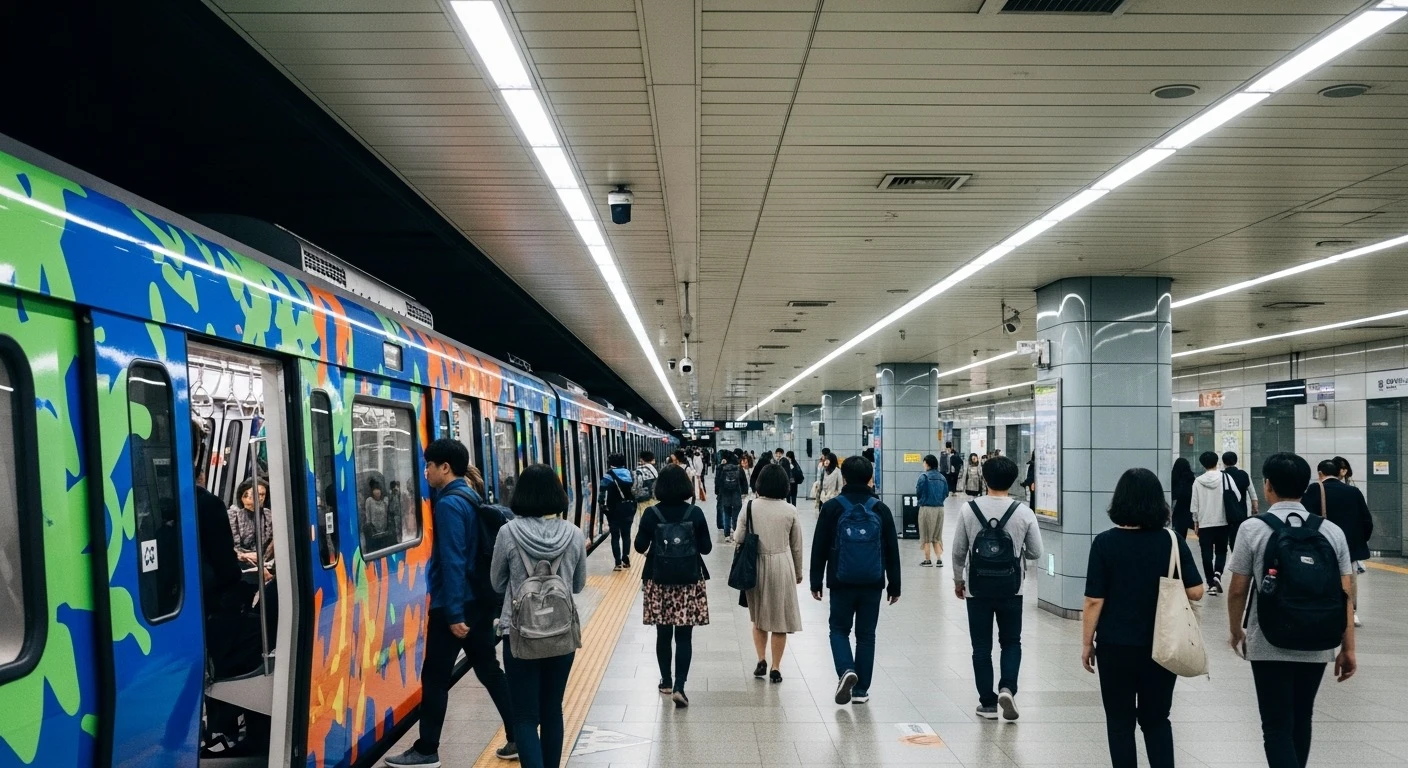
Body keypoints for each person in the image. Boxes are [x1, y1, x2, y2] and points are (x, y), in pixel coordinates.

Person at [388, 439, 516, 768]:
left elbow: (454, 560)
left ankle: (427, 749)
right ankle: (519, 734)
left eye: (429, 465)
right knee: (489, 668)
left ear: (445, 467)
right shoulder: (469, 494)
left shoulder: (448, 504)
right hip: (476, 600)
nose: (426, 471)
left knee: (434, 676)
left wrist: (455, 613)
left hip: (455, 606)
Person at [1227, 453, 1356, 768]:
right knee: (1302, 718)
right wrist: (1348, 647)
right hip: (1319, 640)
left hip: (1268, 641)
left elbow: (1238, 589)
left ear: (1268, 486)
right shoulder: (1331, 531)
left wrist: (1235, 631)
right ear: (1305, 486)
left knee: (1276, 725)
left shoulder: (1253, 529)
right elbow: (1346, 593)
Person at [1081, 468, 1204, 768]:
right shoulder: (1172, 540)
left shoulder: (1105, 543)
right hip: (1163, 646)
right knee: (1157, 719)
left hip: (1115, 646)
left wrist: (1087, 643)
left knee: (1120, 722)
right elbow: (1198, 591)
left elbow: (1095, 600)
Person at [491, 464, 587, 768]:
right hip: (561, 635)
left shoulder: (508, 532)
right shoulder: (573, 533)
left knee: (525, 717)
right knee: (552, 711)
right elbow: (578, 585)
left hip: (519, 635)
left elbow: (496, 582)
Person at [951, 455, 1042, 721]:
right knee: (1011, 641)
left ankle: (988, 704)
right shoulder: (1023, 511)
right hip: (1011, 589)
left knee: (981, 646)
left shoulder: (969, 509)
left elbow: (958, 552)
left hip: (976, 588)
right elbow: (1036, 551)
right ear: (1013, 480)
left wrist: (959, 581)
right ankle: (1007, 688)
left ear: (985, 478)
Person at [810, 456, 901, 706]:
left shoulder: (832, 508)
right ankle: (861, 691)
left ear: (845, 477)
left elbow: (819, 547)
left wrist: (815, 581)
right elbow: (892, 549)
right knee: (866, 635)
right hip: (873, 581)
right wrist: (895, 585)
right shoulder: (880, 508)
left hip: (840, 580)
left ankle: (846, 670)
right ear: (870, 478)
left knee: (838, 630)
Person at [635, 465, 712, 707]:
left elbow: (638, 546)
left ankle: (666, 682)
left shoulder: (651, 514)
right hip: (688, 582)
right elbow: (707, 548)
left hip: (659, 581)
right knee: (684, 636)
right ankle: (680, 685)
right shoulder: (695, 513)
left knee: (663, 633)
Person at [739, 464, 804, 683]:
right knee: (780, 620)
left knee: (758, 617)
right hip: (782, 564)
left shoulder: (749, 506)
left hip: (755, 565)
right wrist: (797, 572)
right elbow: (796, 546)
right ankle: (776, 667)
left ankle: (761, 659)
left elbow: (739, 538)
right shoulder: (790, 510)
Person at [1303, 458, 1373, 628]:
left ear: (1320, 473)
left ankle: (1323, 609)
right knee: (1349, 578)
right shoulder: (1353, 492)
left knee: (1321, 577)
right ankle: (1351, 613)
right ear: (1338, 472)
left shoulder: (1314, 490)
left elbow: (1305, 517)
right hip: (1350, 546)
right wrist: (1360, 541)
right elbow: (1367, 521)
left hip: (1321, 545)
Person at [1191, 451, 1233, 595]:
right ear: (1217, 462)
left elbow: (1194, 504)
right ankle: (1218, 574)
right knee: (1221, 550)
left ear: (1203, 465)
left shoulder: (1198, 481)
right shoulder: (1225, 477)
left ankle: (1211, 584)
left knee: (1206, 553)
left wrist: (1196, 522)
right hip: (1223, 521)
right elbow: (1237, 496)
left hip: (1204, 522)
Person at [228, 477, 274, 572]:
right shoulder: (233, 515)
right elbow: (229, 546)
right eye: (256, 494)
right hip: (239, 565)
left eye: (263, 495)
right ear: (243, 496)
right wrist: (244, 556)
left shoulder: (267, 515)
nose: (260, 498)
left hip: (264, 563)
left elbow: (271, 541)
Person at [600, 453, 638, 571]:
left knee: (615, 536)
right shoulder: (630, 473)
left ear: (610, 463)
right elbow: (636, 489)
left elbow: (602, 492)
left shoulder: (608, 476)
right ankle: (626, 558)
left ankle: (617, 563)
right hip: (628, 508)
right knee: (626, 535)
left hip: (613, 510)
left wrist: (602, 505)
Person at [915, 455, 949, 567]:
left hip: (926, 508)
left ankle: (927, 560)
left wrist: (922, 501)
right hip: (940, 509)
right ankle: (939, 560)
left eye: (924, 462)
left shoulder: (923, 477)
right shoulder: (942, 477)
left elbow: (919, 492)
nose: (923, 465)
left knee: (926, 535)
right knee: (937, 535)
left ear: (927, 464)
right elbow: (946, 493)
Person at [1222, 451, 1258, 549]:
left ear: (1223, 462)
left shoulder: (1221, 476)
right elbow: (1252, 492)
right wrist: (1255, 506)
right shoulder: (1243, 474)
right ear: (1236, 461)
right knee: (1239, 534)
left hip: (1226, 510)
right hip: (1242, 510)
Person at [714, 452, 745, 541]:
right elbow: (744, 482)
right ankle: (735, 532)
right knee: (736, 515)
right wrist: (743, 492)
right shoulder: (739, 469)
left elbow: (718, 481)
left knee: (726, 514)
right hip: (736, 494)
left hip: (725, 494)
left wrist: (717, 492)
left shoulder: (722, 468)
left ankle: (727, 534)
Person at [1170, 458, 1195, 540]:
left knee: (1179, 535)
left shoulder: (1173, 478)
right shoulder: (1191, 478)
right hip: (1189, 510)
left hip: (1177, 511)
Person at [634, 450, 659, 516]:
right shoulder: (655, 469)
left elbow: (637, 486)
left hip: (643, 499)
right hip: (655, 498)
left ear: (641, 459)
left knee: (644, 517)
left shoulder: (640, 470)